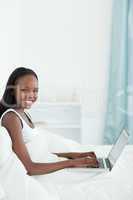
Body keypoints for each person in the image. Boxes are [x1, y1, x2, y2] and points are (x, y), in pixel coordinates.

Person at [0, 67, 99, 199]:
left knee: (96, 173)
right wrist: (73, 163)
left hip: (50, 165)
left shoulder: (23, 113)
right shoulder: (11, 118)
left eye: (35, 90)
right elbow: (29, 167)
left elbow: (37, 153)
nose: (31, 95)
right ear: (12, 91)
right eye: (24, 90)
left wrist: (75, 156)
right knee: (95, 182)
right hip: (43, 174)